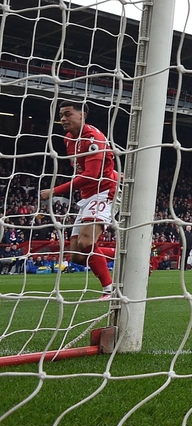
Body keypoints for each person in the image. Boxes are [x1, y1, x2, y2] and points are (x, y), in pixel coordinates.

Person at [40, 100, 119, 300]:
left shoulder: (93, 138)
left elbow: (91, 175)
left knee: (86, 242)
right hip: (87, 196)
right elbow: (84, 169)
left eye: (68, 114)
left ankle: (109, 290)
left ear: (83, 114)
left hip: (105, 191)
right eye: (61, 116)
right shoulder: (68, 139)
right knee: (76, 256)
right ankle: (127, 255)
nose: (63, 119)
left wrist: (55, 191)